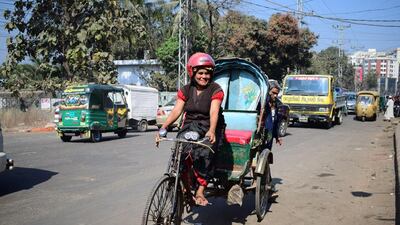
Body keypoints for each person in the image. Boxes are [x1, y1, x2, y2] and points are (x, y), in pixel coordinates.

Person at [156, 52, 225, 206]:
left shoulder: (216, 89)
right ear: (192, 72)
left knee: (204, 153)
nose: (204, 76)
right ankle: (187, 190)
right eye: (200, 73)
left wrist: (212, 130)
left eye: (207, 73)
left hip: (210, 126)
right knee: (181, 154)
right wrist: (164, 128)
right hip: (189, 126)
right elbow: (176, 111)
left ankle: (200, 189)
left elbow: (214, 111)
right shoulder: (185, 90)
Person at [264, 80, 283, 150]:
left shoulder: (277, 104)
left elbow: (275, 123)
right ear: (268, 91)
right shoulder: (263, 103)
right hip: (262, 135)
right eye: (273, 93)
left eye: (277, 94)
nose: (275, 95)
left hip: (270, 135)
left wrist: (277, 136)